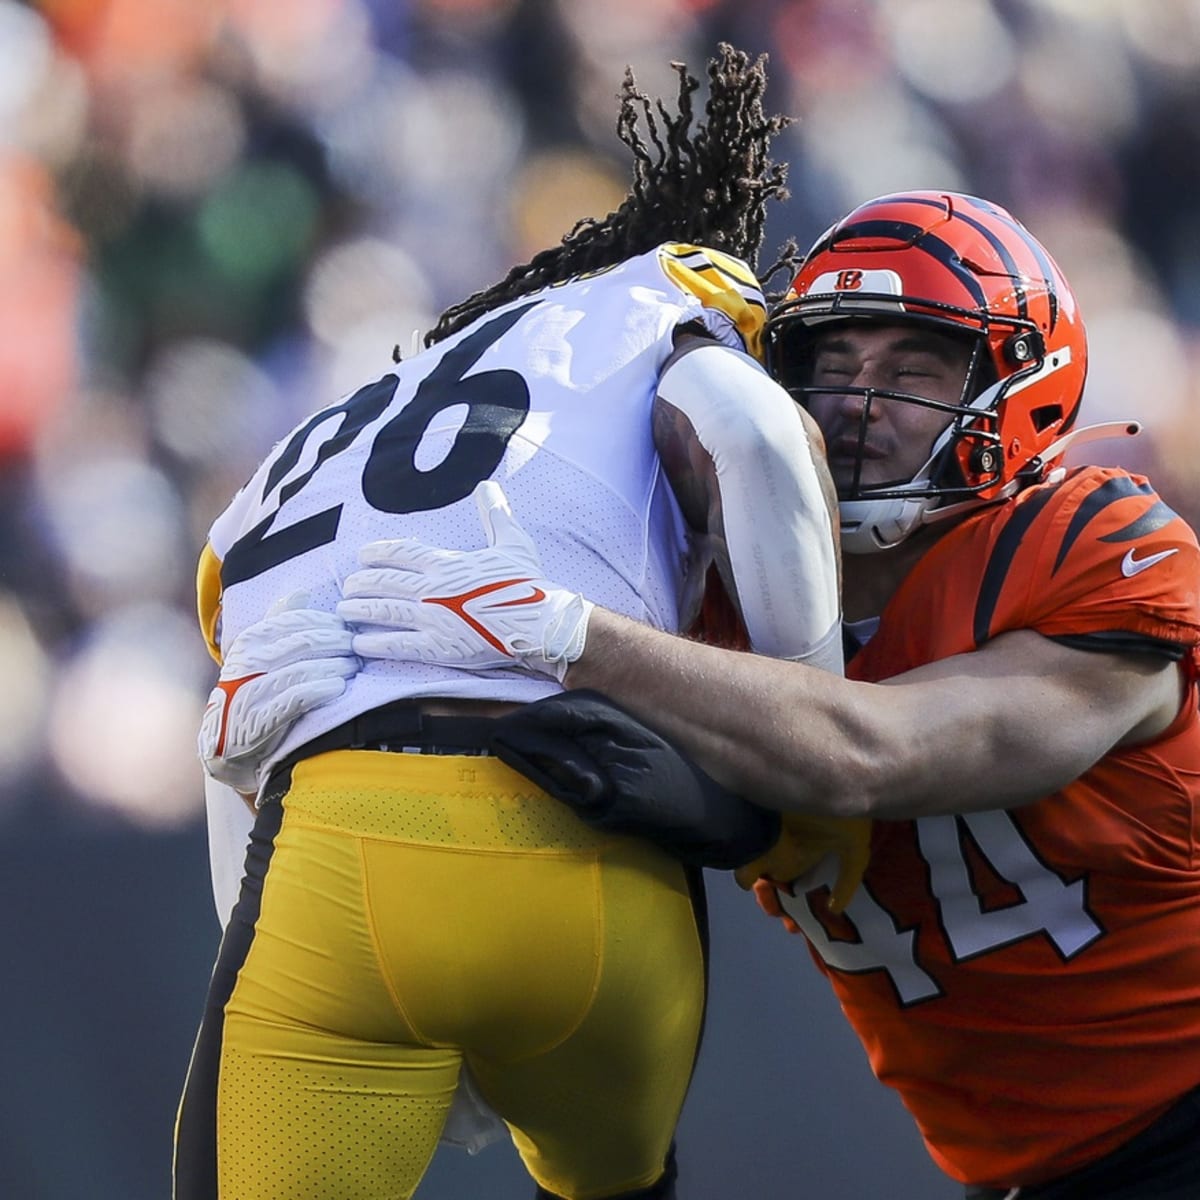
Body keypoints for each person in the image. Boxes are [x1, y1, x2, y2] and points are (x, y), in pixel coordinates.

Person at [336, 191, 1200, 1199]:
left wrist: (569, 633)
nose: (856, 402)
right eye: (830, 364)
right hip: (1016, 1168)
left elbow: (872, 754)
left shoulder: (1091, 551)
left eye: (914, 366)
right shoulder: (717, 586)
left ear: (1022, 389)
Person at [176, 45, 862, 1200]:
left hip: (330, 863)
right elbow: (751, 438)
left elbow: (234, 738)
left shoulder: (313, 444)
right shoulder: (656, 308)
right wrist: (815, 764)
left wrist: (282, 950)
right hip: (593, 861)